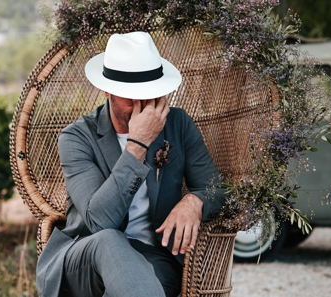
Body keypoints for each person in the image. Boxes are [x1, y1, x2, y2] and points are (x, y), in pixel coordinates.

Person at [35, 32, 225, 297]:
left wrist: (194, 201)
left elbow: (216, 188)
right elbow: (99, 222)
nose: (141, 106)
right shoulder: (77, 137)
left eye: (149, 94)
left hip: (153, 259)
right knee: (110, 241)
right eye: (130, 96)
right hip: (86, 256)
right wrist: (138, 144)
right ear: (107, 90)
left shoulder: (178, 124)